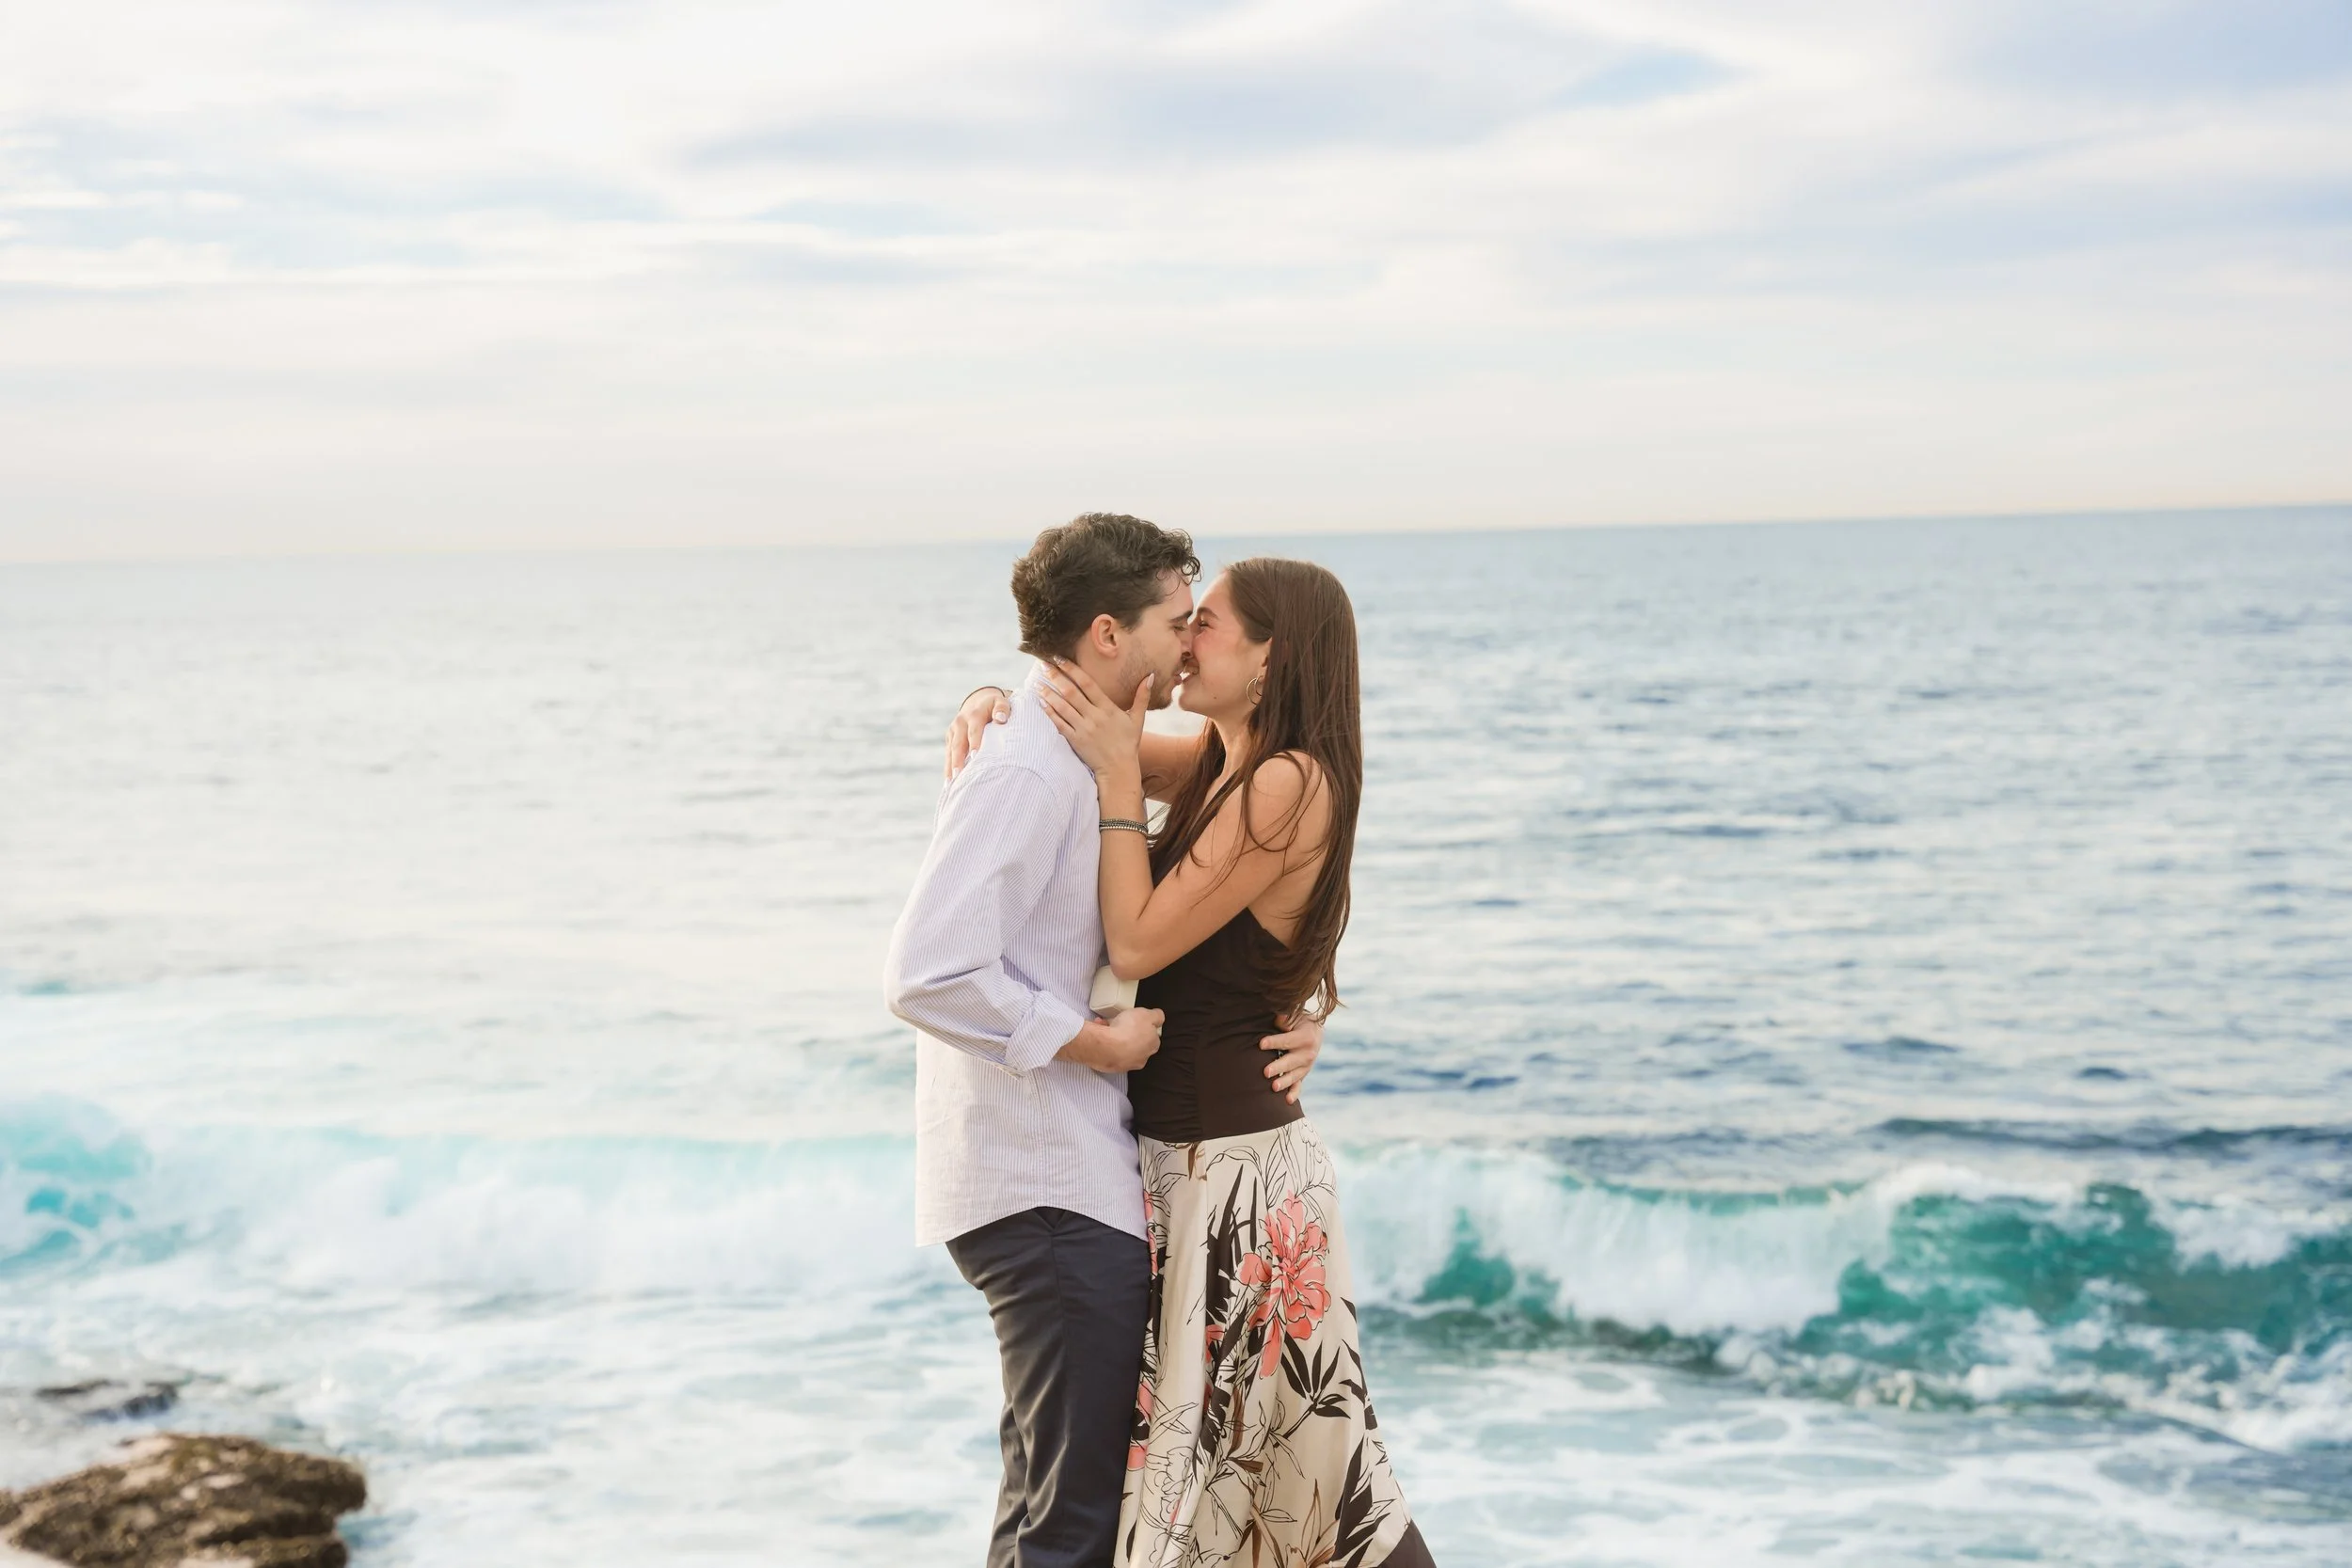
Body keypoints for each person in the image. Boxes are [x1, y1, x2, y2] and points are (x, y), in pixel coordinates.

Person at [951, 557, 1435, 1568]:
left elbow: (1134, 942)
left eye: (1204, 624)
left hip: (1243, 1183)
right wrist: (987, 701)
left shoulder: (1286, 779)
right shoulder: (1223, 759)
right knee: (1232, 1491)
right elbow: (1080, 732)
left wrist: (1121, 775)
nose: (1183, 640)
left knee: (1321, 1488)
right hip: (1186, 1165)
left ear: (1270, 658)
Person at [884, 514, 1327, 1568]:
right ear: (1105, 634)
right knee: (1072, 1524)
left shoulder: (1087, 749)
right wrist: (1089, 1040)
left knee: (1051, 1506)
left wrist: (1298, 1004)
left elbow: (1264, 849)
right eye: (1178, 621)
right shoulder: (1035, 768)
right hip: (1043, 1185)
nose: (1187, 642)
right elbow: (923, 972)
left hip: (1064, 1178)